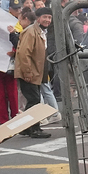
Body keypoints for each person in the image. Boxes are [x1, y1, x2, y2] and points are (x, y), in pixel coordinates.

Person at [14, 8, 53, 139]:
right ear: (38, 18)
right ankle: (34, 129)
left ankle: (26, 128)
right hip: (29, 72)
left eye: (49, 17)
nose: (47, 20)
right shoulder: (31, 32)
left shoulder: (41, 32)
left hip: (37, 72)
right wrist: (28, 72)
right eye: (45, 17)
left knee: (33, 100)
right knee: (34, 100)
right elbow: (24, 54)